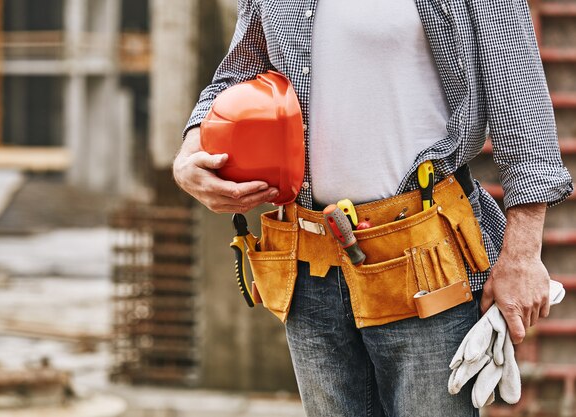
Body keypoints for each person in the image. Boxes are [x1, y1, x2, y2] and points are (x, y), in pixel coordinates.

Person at [173, 0, 573, 415]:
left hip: (426, 264)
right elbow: (237, 76)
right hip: (311, 265)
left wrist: (523, 256)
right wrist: (189, 154)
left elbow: (524, 112)